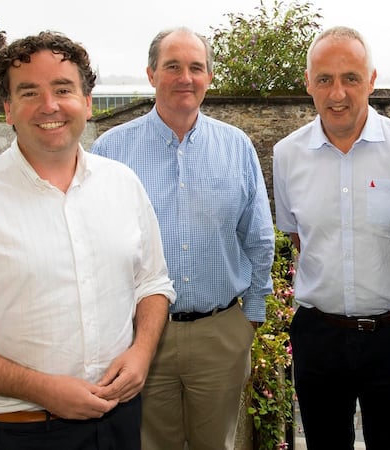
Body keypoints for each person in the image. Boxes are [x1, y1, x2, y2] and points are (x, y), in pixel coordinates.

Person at [0, 31, 176, 449]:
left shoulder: (123, 184)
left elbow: (153, 283)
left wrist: (141, 352)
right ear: (8, 110)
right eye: (30, 92)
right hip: (25, 430)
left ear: (87, 101)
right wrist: (42, 389)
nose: (49, 106)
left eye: (63, 89)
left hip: (121, 422)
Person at [90, 27, 275, 450]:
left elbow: (259, 236)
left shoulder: (236, 146)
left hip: (220, 332)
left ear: (209, 76)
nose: (184, 77)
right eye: (172, 66)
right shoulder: (110, 151)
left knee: (217, 444)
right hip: (140, 338)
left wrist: (251, 315)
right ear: (151, 73)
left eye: (196, 67)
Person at [273, 26, 390, 450]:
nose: (337, 93)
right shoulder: (287, 154)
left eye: (351, 78)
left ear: (372, 80)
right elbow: (298, 234)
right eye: (324, 79)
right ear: (308, 83)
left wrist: (383, 271)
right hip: (319, 334)